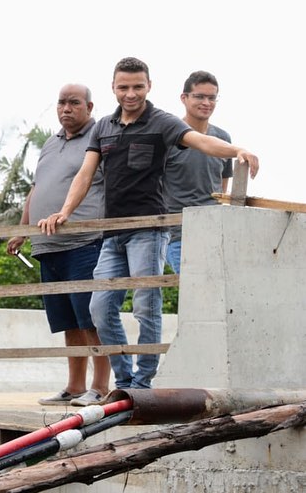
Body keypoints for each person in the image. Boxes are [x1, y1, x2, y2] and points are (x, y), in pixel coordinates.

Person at [39, 57, 259, 390]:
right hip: (112, 233)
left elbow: (202, 141)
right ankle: (124, 380)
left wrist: (238, 150)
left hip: (149, 232)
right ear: (113, 87)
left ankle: (143, 382)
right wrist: (65, 211)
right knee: (99, 307)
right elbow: (85, 174)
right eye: (123, 87)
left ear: (149, 86)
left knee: (146, 306)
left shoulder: (161, 122)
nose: (130, 94)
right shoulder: (104, 128)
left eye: (137, 87)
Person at [7, 84, 111, 407]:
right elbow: (37, 189)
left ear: (89, 107)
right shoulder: (50, 144)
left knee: (91, 318)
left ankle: (100, 387)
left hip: (83, 243)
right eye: (61, 102)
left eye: (74, 103)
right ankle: (75, 386)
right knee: (67, 322)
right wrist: (23, 229)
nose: (66, 108)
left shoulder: (99, 139)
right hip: (48, 246)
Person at [163, 71, 233, 273]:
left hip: (213, 229)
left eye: (212, 98)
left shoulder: (222, 137)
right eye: (199, 96)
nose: (206, 102)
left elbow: (222, 184)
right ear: (184, 98)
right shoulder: (168, 136)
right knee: (192, 288)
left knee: (215, 292)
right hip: (178, 233)